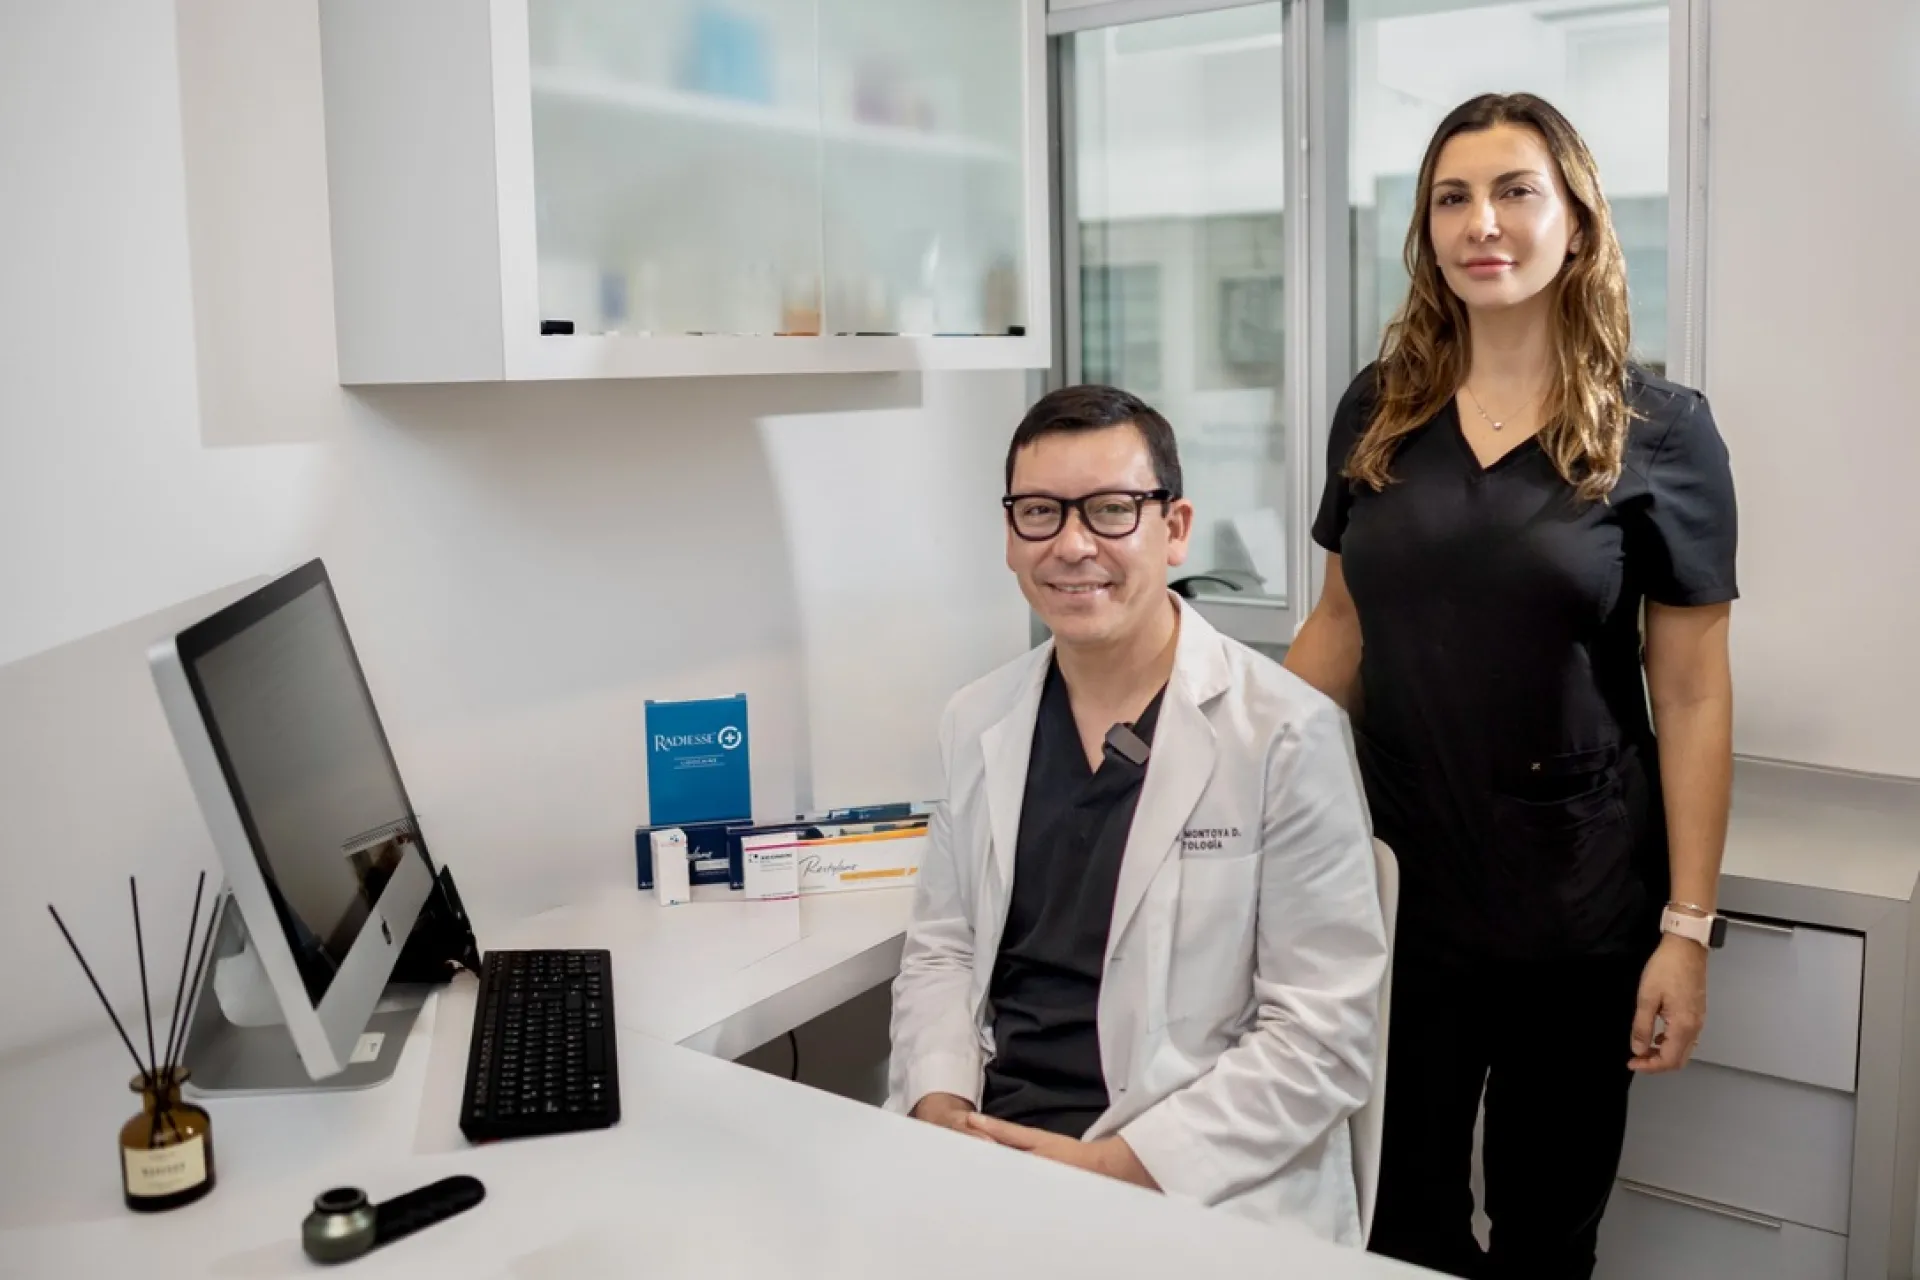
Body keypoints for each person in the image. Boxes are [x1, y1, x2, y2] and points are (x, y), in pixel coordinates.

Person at [1285, 93, 1738, 1279]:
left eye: (1514, 191)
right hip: (1395, 900)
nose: (1480, 222)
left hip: (1576, 907)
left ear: (1576, 221)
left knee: (1546, 1233)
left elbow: (1693, 696)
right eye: (1452, 198)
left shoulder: (1662, 431)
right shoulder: (1380, 406)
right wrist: (1211, 775)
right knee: (1394, 1220)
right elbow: (1339, 627)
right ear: (1427, 230)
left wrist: (1686, 930)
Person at [887, 384, 1389, 1243]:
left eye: (1112, 510)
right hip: (991, 1149)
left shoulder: (1284, 733)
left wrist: (1112, 1170)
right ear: (1009, 535)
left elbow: (1320, 1036)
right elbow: (944, 949)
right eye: (1040, 512)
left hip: (1189, 1178)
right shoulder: (977, 719)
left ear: (1175, 528)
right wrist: (940, 1103)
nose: (1072, 544)